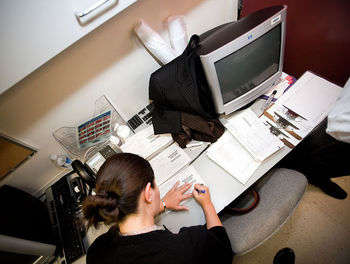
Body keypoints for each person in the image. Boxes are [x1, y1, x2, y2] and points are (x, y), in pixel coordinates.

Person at [83, 153, 233, 264]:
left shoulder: (97, 251)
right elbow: (222, 247)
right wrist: (207, 204)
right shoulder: (187, 249)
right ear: (149, 192)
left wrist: (160, 205)